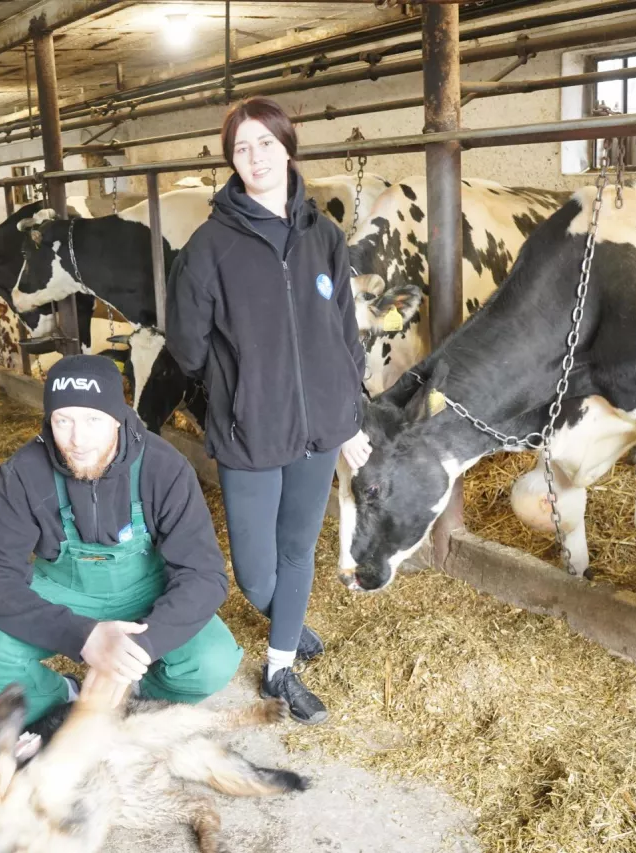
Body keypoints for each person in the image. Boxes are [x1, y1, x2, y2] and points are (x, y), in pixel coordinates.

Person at [165, 96, 373, 725]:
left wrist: (347, 421)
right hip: (249, 430)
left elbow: (344, 337)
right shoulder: (208, 247)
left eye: (265, 143)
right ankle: (286, 614)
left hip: (317, 433)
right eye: (241, 148)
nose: (255, 157)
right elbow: (186, 346)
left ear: (288, 147)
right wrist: (238, 389)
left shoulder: (325, 236)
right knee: (255, 575)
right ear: (231, 160)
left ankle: (280, 666)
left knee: (296, 550)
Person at [0, 354, 243, 727]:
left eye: (93, 420)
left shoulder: (164, 467)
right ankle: (63, 702)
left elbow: (204, 574)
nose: (78, 439)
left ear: (117, 416)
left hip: (145, 592)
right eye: (63, 420)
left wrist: (139, 649)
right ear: (48, 419)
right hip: (61, 590)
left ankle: (136, 698)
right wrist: (82, 636)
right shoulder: (22, 474)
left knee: (211, 663)